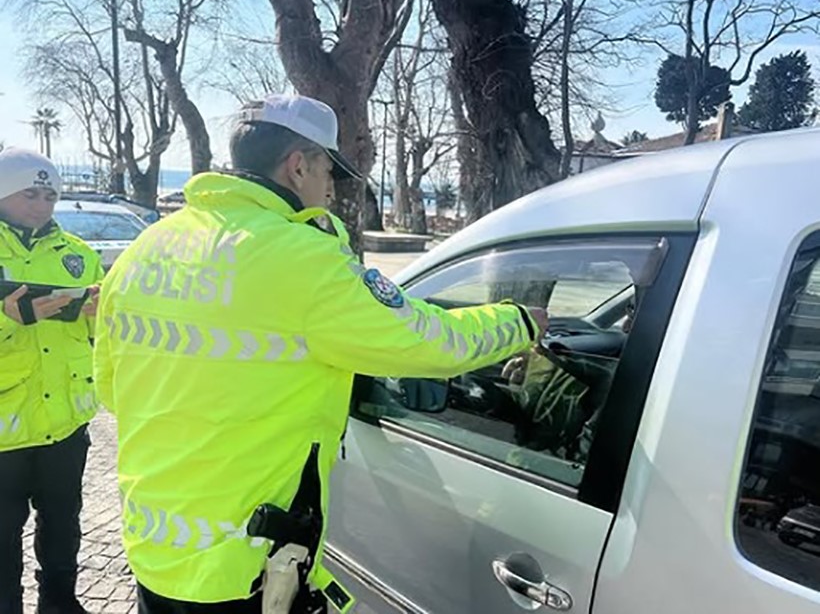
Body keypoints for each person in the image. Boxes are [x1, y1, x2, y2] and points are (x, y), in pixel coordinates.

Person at [93, 94, 549, 613]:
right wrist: (518, 321)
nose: (331, 188)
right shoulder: (302, 258)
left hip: (154, 542)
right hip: (240, 560)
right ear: (298, 166)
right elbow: (430, 340)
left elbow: (111, 388)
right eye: (329, 171)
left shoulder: (145, 250)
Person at [0, 148, 103, 614]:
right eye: (29, 194)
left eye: (50, 196)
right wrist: (7, 318)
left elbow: (100, 337)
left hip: (65, 426)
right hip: (5, 433)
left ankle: (59, 604)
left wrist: (103, 312)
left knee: (63, 525)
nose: (42, 205)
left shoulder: (78, 255)